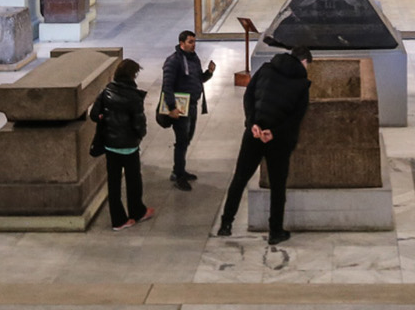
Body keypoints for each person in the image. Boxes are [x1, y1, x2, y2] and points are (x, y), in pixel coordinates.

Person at [217, 47, 312, 245]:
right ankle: (275, 231)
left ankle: (226, 224)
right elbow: (296, 118)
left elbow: (249, 96)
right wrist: (274, 133)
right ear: (303, 62)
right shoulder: (302, 84)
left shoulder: (266, 68)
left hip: (254, 133)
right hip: (278, 141)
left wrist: (253, 124)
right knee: (277, 187)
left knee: (240, 178)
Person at [88, 58, 155, 230]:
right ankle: (137, 212)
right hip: (129, 146)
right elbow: (139, 123)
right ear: (132, 75)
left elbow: (94, 115)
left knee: (114, 183)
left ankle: (119, 220)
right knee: (133, 180)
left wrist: (104, 118)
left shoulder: (106, 92)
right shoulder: (134, 97)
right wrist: (141, 135)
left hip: (111, 146)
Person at [162, 30, 216, 191]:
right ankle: (178, 175)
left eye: (194, 42)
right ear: (181, 43)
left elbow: (198, 79)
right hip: (180, 108)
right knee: (181, 141)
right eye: (190, 42)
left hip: (192, 105)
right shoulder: (173, 61)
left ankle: (180, 170)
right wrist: (172, 107)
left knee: (187, 139)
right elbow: (167, 86)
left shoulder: (193, 58)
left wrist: (209, 73)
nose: (193, 45)